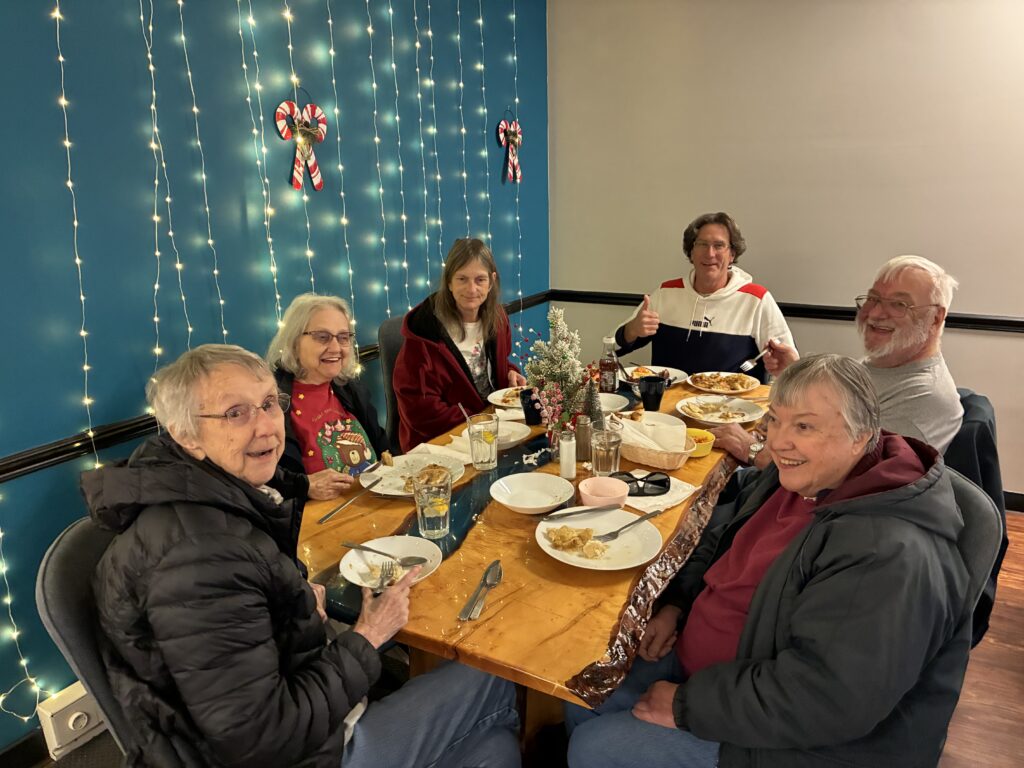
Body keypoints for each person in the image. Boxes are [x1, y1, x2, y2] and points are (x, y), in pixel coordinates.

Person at [84, 345, 520, 768]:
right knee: (494, 677)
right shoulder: (196, 561)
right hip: (298, 751)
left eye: (269, 403)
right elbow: (263, 739)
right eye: (235, 413)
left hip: (294, 694)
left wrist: (291, 602)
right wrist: (367, 636)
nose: (266, 427)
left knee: (494, 749)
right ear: (186, 436)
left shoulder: (216, 502)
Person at [565, 354, 971, 768]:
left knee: (593, 747)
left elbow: (827, 699)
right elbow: (723, 544)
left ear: (860, 435)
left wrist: (688, 706)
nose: (777, 442)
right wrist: (677, 606)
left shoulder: (886, 552)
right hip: (715, 671)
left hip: (791, 738)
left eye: (804, 426)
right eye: (774, 420)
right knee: (581, 696)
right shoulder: (798, 478)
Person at [718, 255, 963, 466]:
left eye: (899, 304)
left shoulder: (923, 399)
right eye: (873, 298)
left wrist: (752, 451)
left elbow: (846, 477)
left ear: (935, 318)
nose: (875, 313)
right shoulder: (883, 363)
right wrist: (792, 372)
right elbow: (831, 416)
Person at [614, 212, 795, 382]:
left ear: (732, 254)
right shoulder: (666, 293)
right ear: (691, 252)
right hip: (669, 401)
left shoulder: (756, 299)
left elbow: (790, 367)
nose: (710, 253)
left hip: (733, 404)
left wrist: (785, 366)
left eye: (719, 245)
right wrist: (632, 330)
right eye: (702, 244)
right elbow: (610, 348)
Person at [393, 237, 527, 451]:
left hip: (491, 427)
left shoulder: (498, 319)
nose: (471, 289)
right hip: (442, 441)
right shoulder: (424, 333)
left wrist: (510, 373)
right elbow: (420, 411)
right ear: (449, 282)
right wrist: (481, 423)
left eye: (480, 279)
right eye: (462, 279)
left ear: (492, 281)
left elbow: (495, 365)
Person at [267, 294, 390, 500]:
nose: (335, 348)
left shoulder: (351, 389)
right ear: (294, 342)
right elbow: (261, 480)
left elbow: (382, 446)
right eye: (322, 337)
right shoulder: (270, 403)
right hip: (319, 513)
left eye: (343, 337)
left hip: (375, 498)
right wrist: (305, 486)